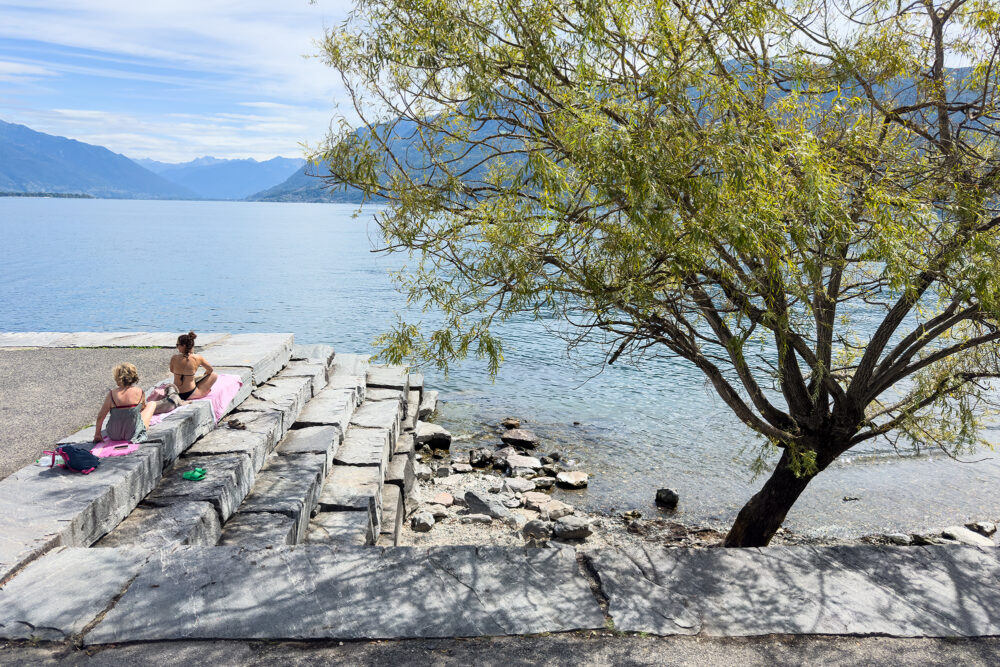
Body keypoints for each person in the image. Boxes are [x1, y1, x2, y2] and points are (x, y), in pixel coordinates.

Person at [93, 362, 157, 443]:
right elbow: (142, 409)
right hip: (133, 433)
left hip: (114, 434)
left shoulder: (112, 394)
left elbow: (101, 416)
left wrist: (97, 434)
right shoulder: (140, 392)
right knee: (152, 404)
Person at [170, 331, 218, 400]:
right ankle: (202, 391)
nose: (177, 347)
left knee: (192, 378)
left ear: (184, 345)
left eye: (177, 345)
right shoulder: (198, 358)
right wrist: (203, 377)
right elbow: (210, 370)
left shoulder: (174, 357)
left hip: (176, 393)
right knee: (214, 375)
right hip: (190, 393)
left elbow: (172, 370)